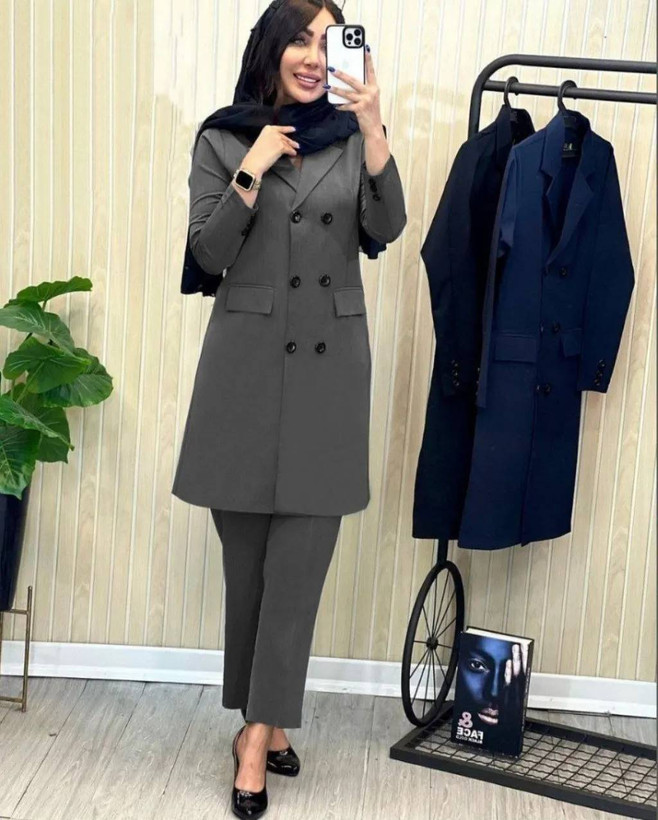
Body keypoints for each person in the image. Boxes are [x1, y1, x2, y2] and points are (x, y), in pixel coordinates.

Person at [171, 1, 406, 816]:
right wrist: (255, 165)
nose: (313, 55)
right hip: (242, 375)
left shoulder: (352, 135)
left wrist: (373, 129)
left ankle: (254, 737)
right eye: (300, 39)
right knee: (248, 572)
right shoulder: (223, 137)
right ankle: (263, 723)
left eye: (328, 41)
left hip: (328, 378)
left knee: (298, 574)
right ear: (271, 49)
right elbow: (207, 253)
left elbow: (386, 227)